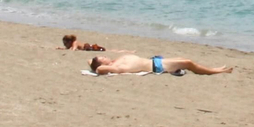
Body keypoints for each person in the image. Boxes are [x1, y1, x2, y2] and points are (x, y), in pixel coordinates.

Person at [88, 54, 233, 76]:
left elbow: (89, 61)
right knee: (188, 63)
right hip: (155, 66)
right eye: (102, 58)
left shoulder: (115, 61)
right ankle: (215, 71)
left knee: (185, 60)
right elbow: (99, 69)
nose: (105, 57)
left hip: (155, 61)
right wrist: (96, 66)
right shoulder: (115, 67)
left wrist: (93, 63)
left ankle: (213, 69)